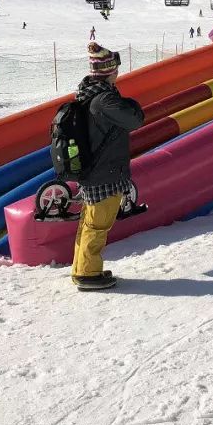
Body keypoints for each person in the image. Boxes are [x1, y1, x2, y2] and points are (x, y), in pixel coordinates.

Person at [71, 43, 145, 290]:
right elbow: (135, 119)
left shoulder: (87, 94)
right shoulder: (105, 100)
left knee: (89, 222)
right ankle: (88, 275)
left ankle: (82, 268)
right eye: (115, 69)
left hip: (95, 170)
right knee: (97, 224)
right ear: (109, 71)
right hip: (104, 173)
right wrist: (132, 103)